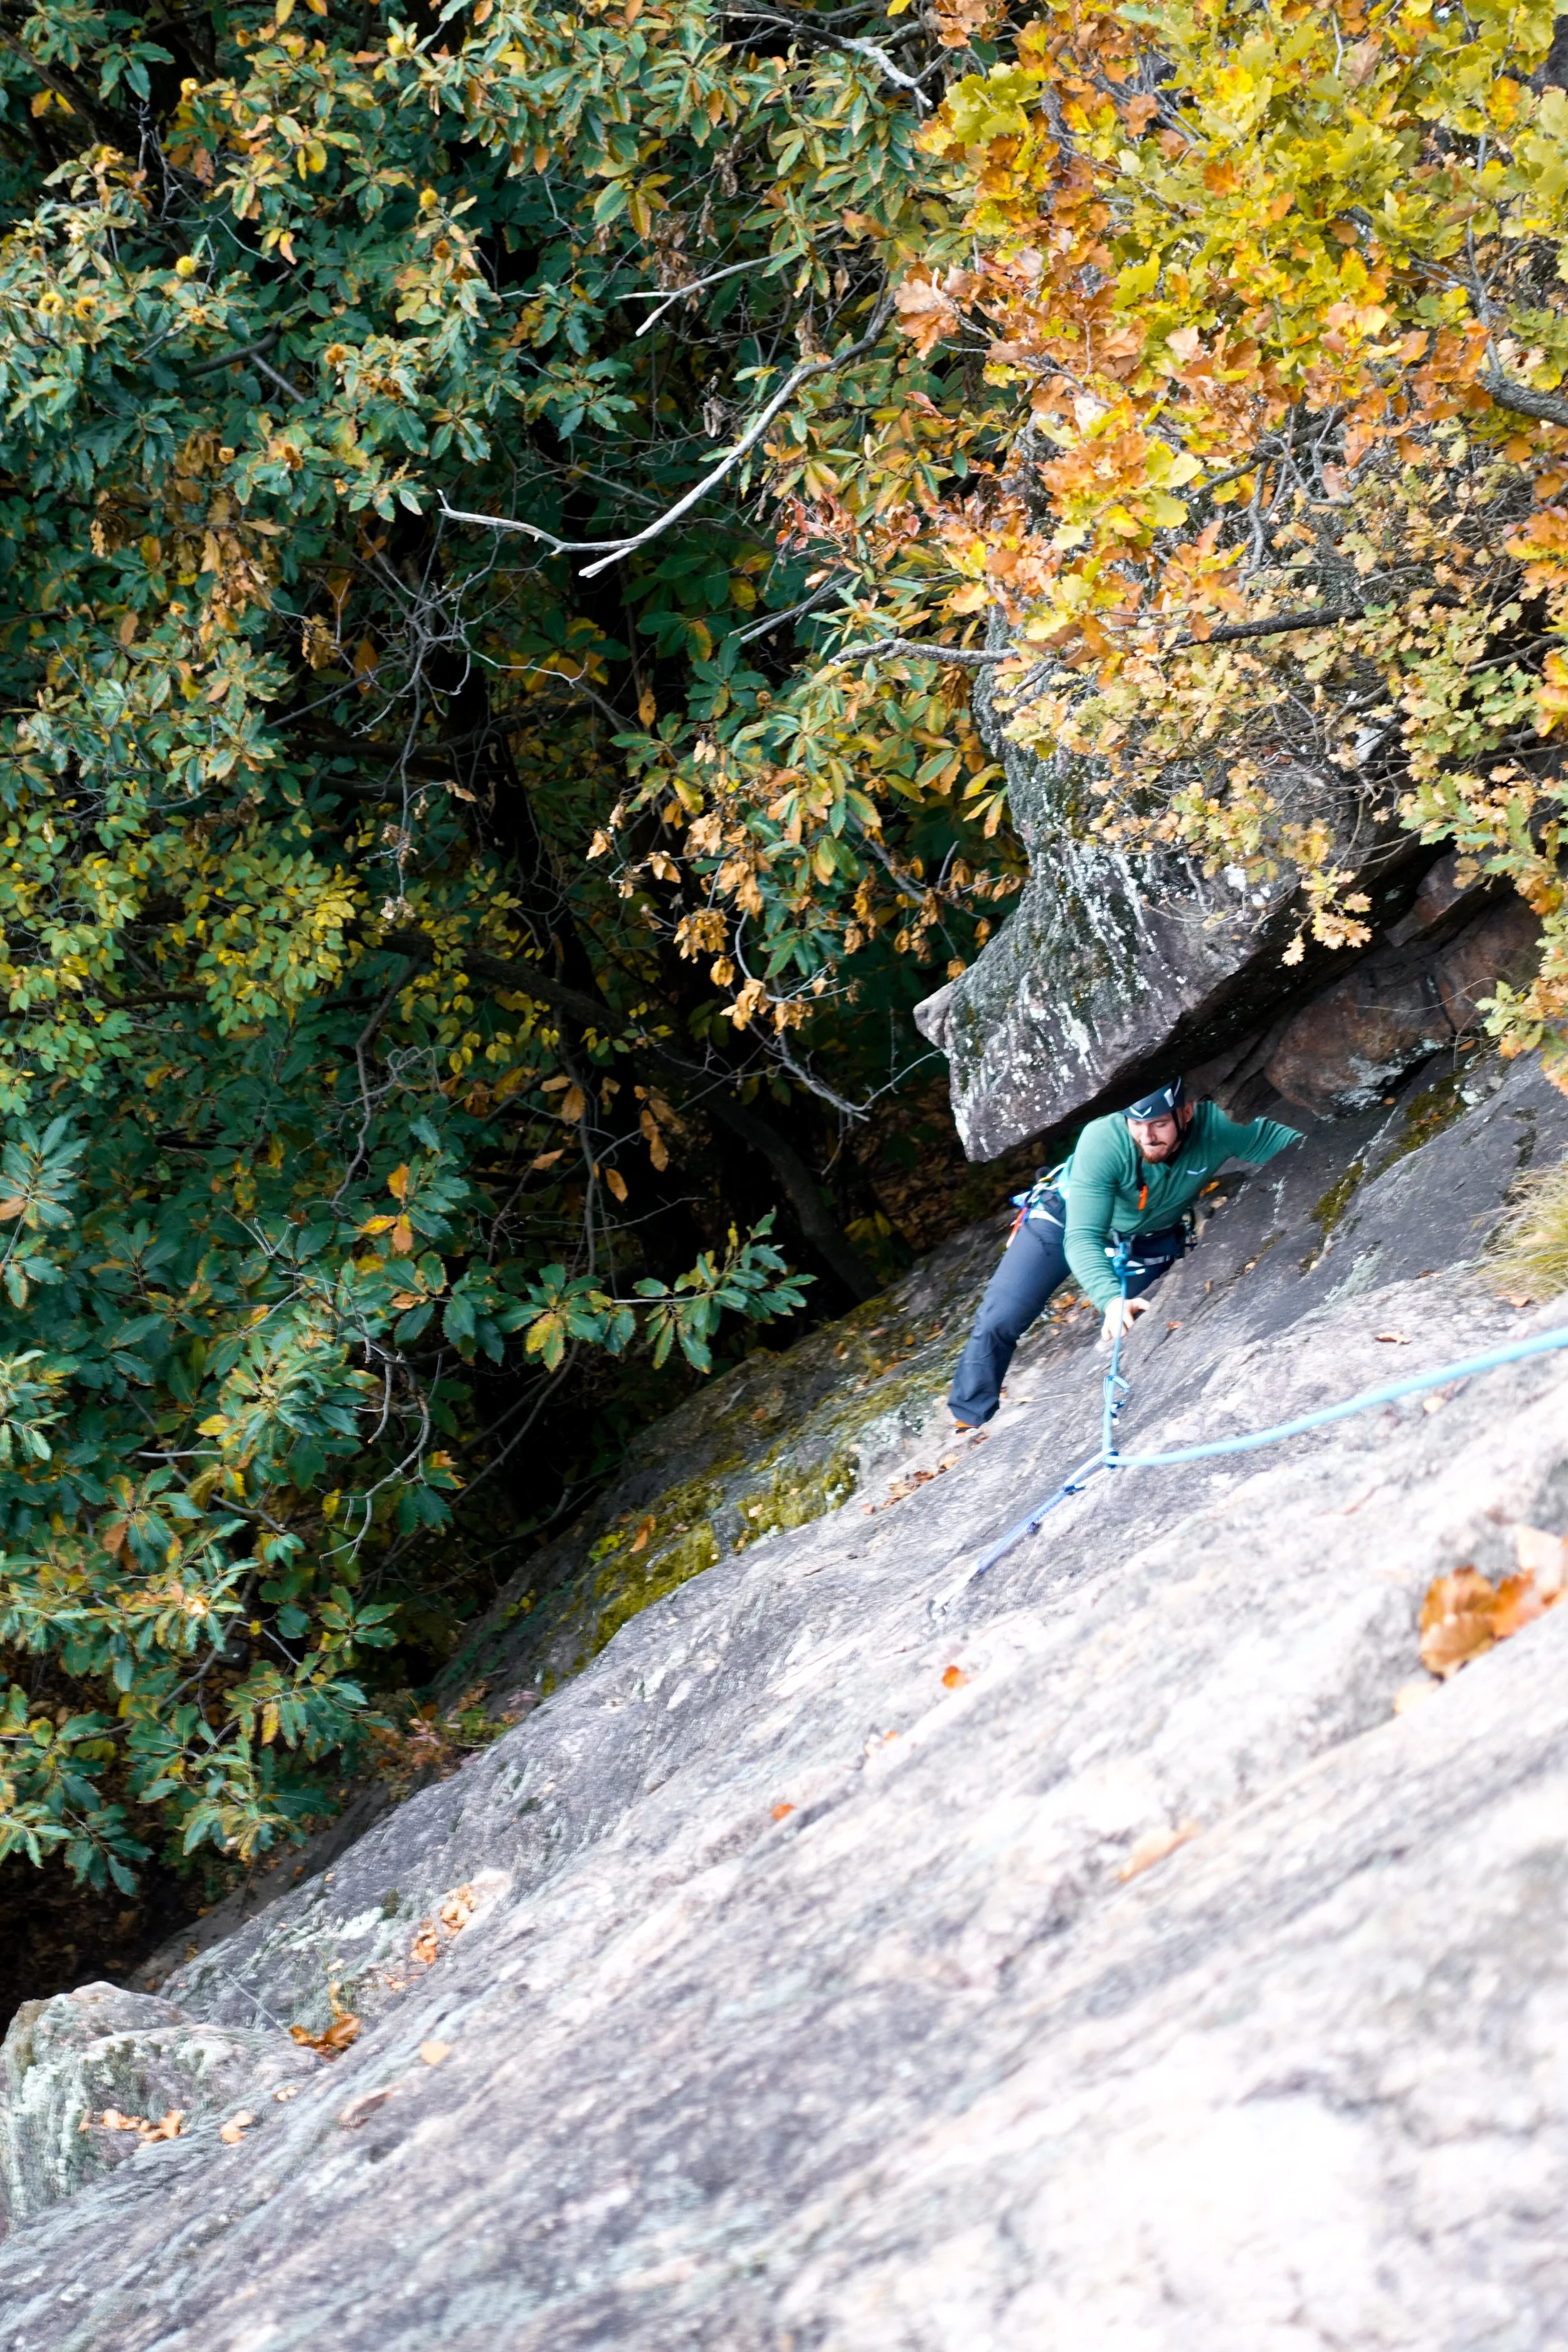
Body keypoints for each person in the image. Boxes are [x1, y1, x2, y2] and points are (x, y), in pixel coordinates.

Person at [947, 1079, 1303, 1429]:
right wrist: (1109, 1299)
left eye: (1160, 1124)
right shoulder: (1105, 1140)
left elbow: (1288, 1145)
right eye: (1137, 1124)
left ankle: (1126, 1417)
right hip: (1065, 1218)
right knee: (1001, 1315)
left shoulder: (1218, 1124)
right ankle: (969, 1416)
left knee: (1139, 1332)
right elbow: (1083, 1236)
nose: (1147, 1137)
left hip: (1150, 1239)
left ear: (1188, 1112)